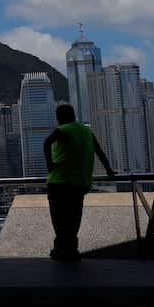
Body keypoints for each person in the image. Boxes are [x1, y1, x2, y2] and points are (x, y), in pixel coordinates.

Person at [43, 103, 115, 261]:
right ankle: (70, 250)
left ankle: (62, 250)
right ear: (73, 115)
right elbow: (100, 152)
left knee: (59, 218)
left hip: (59, 182)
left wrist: (50, 165)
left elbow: (46, 143)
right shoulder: (87, 131)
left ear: (59, 118)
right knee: (74, 217)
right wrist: (109, 169)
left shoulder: (62, 130)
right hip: (79, 183)